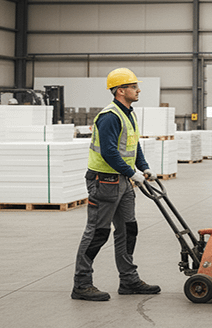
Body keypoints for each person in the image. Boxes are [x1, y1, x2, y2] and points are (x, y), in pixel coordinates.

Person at [71, 68, 161, 301]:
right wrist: (132, 172)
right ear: (120, 90)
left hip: (123, 181)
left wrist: (144, 167)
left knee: (128, 229)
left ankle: (128, 280)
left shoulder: (128, 113)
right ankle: (81, 283)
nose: (138, 90)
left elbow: (133, 144)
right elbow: (109, 152)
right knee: (98, 232)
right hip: (104, 182)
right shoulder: (110, 116)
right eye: (134, 87)